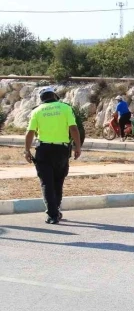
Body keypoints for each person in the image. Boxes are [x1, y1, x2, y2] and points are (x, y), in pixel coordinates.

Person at [24, 87, 82, 224]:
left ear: (41, 99)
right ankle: (55, 209)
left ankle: (53, 215)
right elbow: (73, 128)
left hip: (43, 150)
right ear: (55, 96)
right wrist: (77, 147)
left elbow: (30, 132)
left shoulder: (36, 111)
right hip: (61, 151)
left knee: (46, 183)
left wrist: (26, 150)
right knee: (58, 181)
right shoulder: (65, 108)